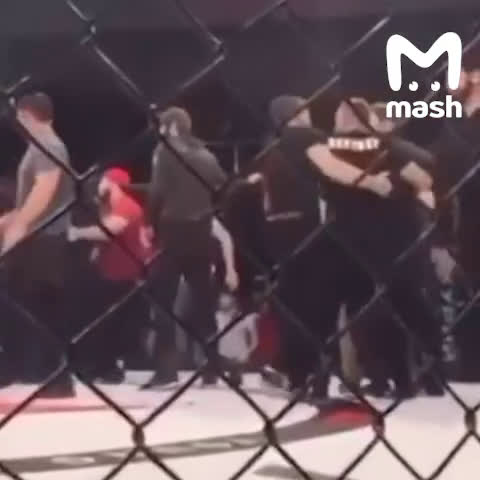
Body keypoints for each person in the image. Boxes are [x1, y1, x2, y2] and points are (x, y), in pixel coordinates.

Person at [306, 98, 444, 398]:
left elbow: (326, 164)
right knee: (401, 309)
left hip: (352, 244)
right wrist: (384, 181)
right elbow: (425, 177)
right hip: (395, 243)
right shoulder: (390, 150)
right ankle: (408, 377)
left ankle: (378, 377)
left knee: (361, 313)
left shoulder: (332, 148)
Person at [142, 107, 227, 389]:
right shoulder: (206, 154)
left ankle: (166, 369)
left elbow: (157, 191)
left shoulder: (165, 151)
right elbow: (221, 185)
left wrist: (149, 223)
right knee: (203, 301)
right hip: (200, 230)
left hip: (173, 230)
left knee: (163, 301)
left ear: (170, 127)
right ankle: (212, 366)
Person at [0, 92, 75, 397]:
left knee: (36, 304)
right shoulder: (41, 146)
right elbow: (29, 200)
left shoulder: (48, 145)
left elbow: (43, 192)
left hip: (44, 239)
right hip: (42, 236)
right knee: (36, 305)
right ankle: (36, 370)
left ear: (26, 115)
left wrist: (17, 229)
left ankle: (48, 373)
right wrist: (9, 221)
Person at [68, 167, 154, 383]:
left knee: (108, 323)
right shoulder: (112, 207)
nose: (99, 185)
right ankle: (102, 366)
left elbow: (110, 230)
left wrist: (77, 233)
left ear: (111, 183)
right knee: (105, 322)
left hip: (123, 275)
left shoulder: (125, 205)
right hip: (116, 273)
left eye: (103, 181)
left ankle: (105, 366)